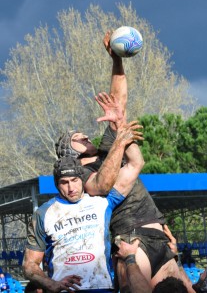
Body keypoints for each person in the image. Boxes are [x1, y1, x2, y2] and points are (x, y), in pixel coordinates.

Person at [55, 32, 194, 292]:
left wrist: (117, 60)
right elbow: (102, 186)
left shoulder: (111, 146)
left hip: (157, 233)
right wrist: (121, 139)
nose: (83, 134)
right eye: (76, 138)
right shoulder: (78, 175)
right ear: (68, 152)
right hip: (129, 237)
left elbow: (118, 102)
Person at [22, 119, 144, 292]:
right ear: (57, 185)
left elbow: (135, 164)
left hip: (102, 287)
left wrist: (121, 139)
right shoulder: (43, 213)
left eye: (74, 180)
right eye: (64, 182)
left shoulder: (101, 202)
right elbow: (29, 265)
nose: (71, 188)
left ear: (83, 179)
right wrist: (53, 284)